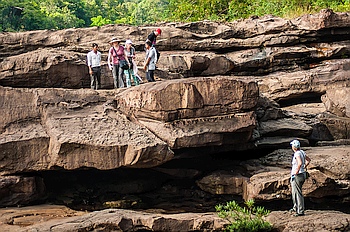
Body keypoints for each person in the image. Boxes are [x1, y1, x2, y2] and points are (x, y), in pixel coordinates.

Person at [289, 139, 311, 217]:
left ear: (294, 147)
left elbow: (300, 163)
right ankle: (295, 207)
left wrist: (297, 171)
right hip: (302, 174)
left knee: (298, 193)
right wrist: (304, 167)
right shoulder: (302, 152)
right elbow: (308, 160)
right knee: (295, 192)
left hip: (298, 175)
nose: (291, 147)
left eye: (292, 145)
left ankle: (300, 211)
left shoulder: (297, 154)